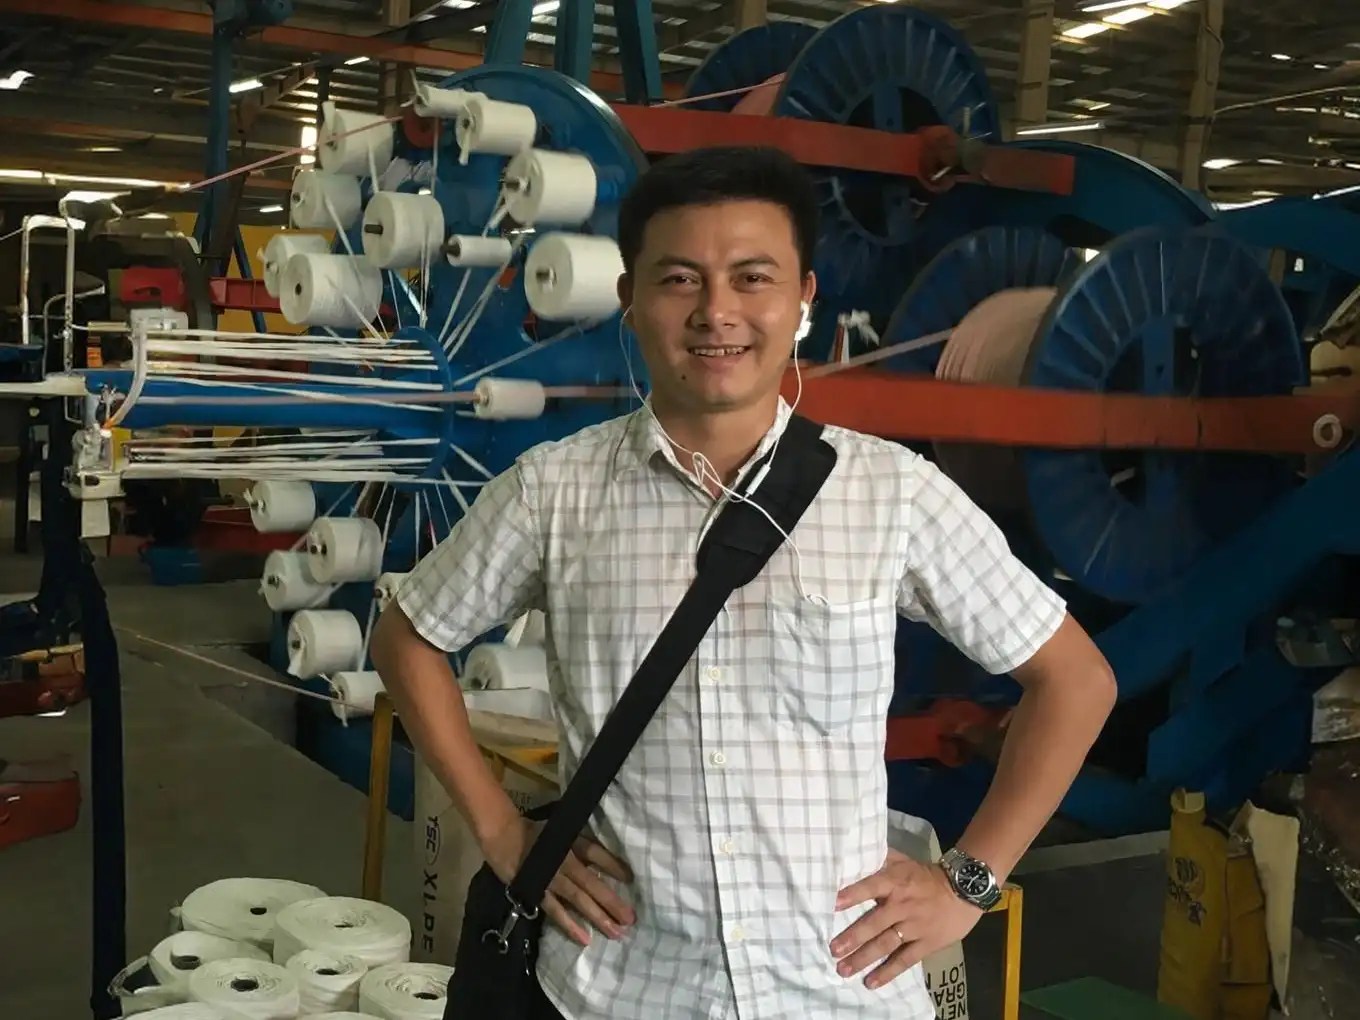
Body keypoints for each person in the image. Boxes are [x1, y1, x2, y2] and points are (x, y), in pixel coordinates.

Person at [370, 144, 1118, 1020]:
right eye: (679, 279)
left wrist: (969, 882)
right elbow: (407, 638)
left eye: (752, 277)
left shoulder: (891, 493)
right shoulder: (553, 494)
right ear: (630, 299)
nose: (716, 312)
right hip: (620, 991)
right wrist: (501, 831)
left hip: (837, 994)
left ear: (803, 298)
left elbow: (1075, 680)